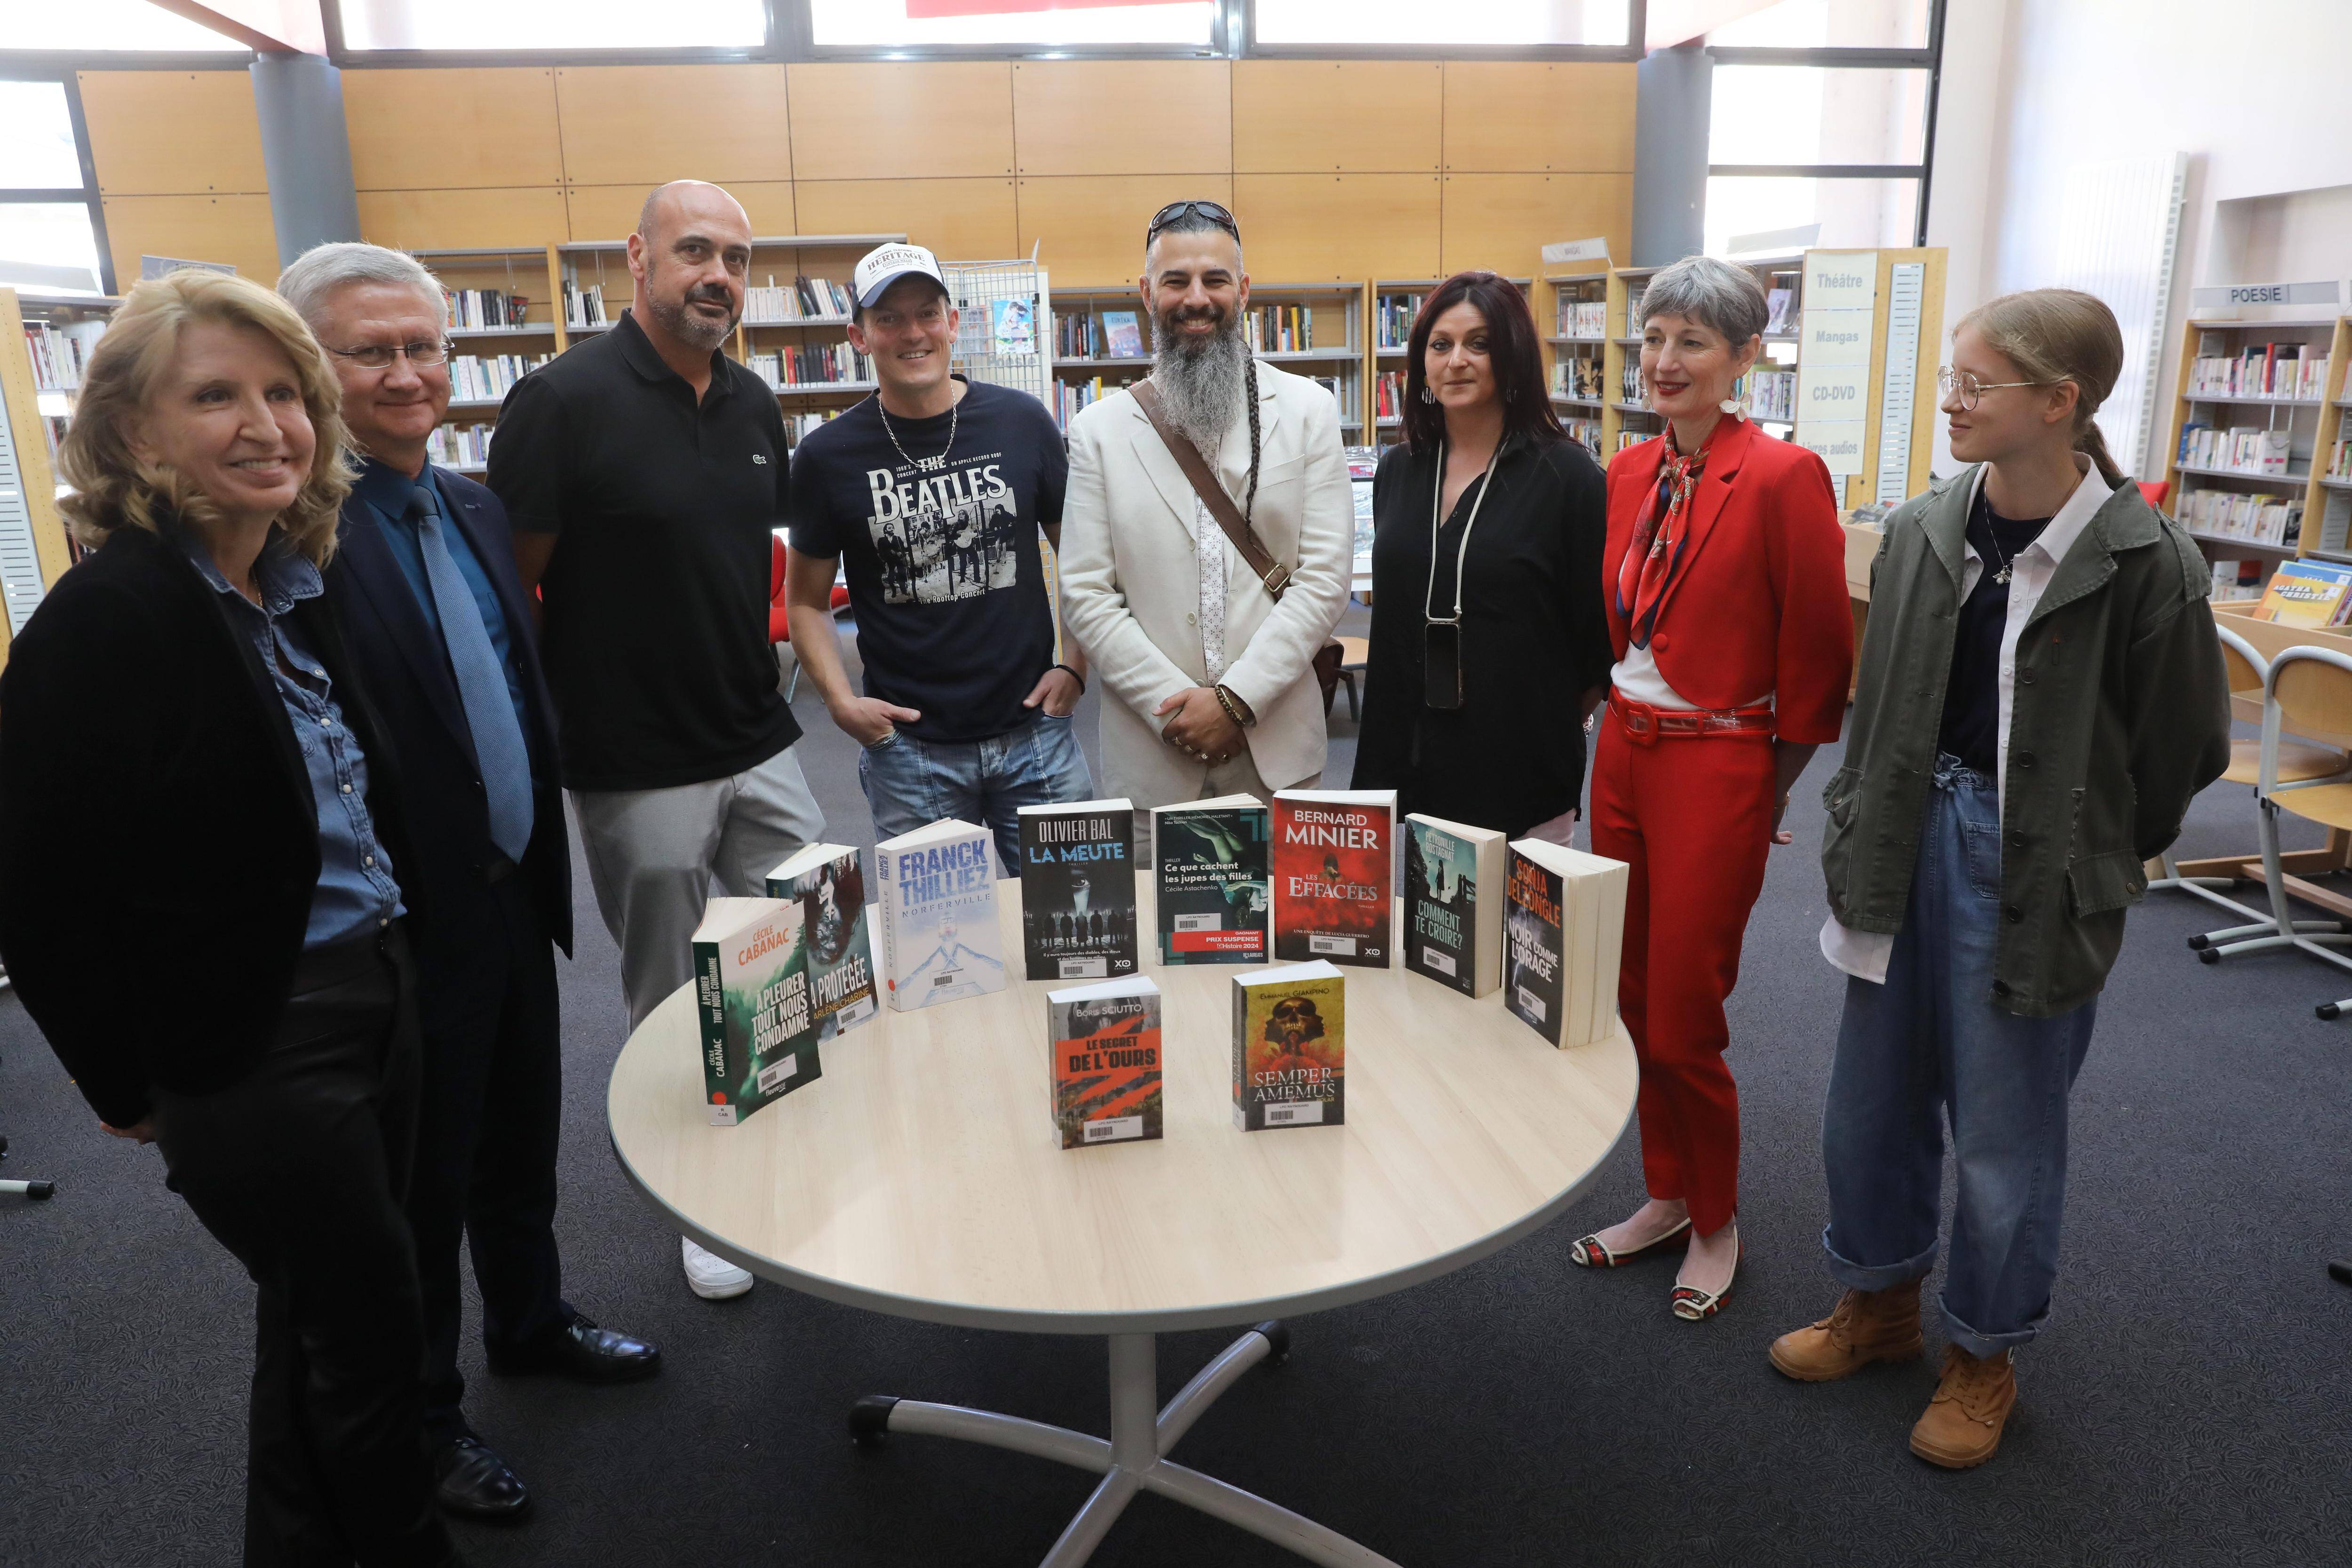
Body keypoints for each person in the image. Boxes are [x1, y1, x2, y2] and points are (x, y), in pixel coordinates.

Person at [0, 270, 461, 1566]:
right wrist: (122, 1076)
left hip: (374, 990)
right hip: (259, 1044)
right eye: (215, 395)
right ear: (135, 432)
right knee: (367, 1338)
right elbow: (36, 882)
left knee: (316, 1320)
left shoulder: (287, 588)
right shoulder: (112, 616)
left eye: (282, 392)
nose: (267, 424)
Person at [1775, 290, 2230, 1467]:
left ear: (2059, 404)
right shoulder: (1928, 528)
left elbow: (2185, 750)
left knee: (2004, 1125)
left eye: (1976, 384)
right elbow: (1876, 705)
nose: (1950, 401)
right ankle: (1877, 1306)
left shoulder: (2144, 561)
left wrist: (2094, 848)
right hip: (1898, 831)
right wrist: (1851, 818)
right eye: (1951, 377)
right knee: (1867, 1096)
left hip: (2028, 853)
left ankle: (1983, 1351)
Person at [281, 241, 662, 1523]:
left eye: (426, 346)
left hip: (512, 879)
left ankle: (533, 1316)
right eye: (371, 350)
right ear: (309, 369)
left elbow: (506, 668)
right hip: (403, 920)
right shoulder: (299, 537)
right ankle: (430, 1418)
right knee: (419, 1183)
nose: (408, 373)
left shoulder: (472, 502)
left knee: (516, 1132)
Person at [488, 179, 824, 1303]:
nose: (718, 274)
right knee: (673, 993)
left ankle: (774, 1141)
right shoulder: (560, 401)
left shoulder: (751, 403)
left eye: (735, 255)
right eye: (694, 250)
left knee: (790, 954)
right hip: (634, 759)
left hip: (759, 735)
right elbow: (513, 588)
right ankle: (704, 1200)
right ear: (636, 258)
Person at [1566, 255, 1852, 1321]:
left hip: (1719, 758)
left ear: (1743, 357)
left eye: (1693, 341)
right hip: (1626, 749)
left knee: (1688, 1010)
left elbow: (1819, 660)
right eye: (1653, 338)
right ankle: (1664, 1195)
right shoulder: (1629, 472)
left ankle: (1719, 1216)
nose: (1665, 360)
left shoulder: (1783, 476)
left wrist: (1768, 790)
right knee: (1630, 999)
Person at [786, 242, 1092, 875]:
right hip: (911, 753)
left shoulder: (1023, 423)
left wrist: (1076, 667)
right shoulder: (826, 456)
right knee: (942, 963)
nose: (913, 333)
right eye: (889, 319)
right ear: (859, 336)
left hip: (1036, 734)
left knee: (1079, 923)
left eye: (927, 313)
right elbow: (807, 601)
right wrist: (842, 704)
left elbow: (1085, 561)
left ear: (953, 323)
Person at [1058, 201, 1352, 820]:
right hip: (1154, 757)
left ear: (1243, 291)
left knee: (1283, 921)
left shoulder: (1309, 411)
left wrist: (1238, 701)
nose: (1197, 298)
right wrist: (1175, 705)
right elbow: (1085, 591)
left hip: (1279, 757)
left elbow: (1324, 578)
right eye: (1176, 281)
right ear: (1146, 293)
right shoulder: (1097, 432)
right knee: (1153, 922)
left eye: (1215, 279)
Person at [1351, 270, 1612, 839]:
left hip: (1519, 756)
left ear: (1512, 356)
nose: (1456, 361)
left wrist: (1548, 717)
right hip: (1417, 749)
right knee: (1433, 918)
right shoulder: (1398, 469)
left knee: (1515, 927)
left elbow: (1597, 635)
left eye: (1479, 344)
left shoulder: (1567, 476)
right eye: (1439, 345)